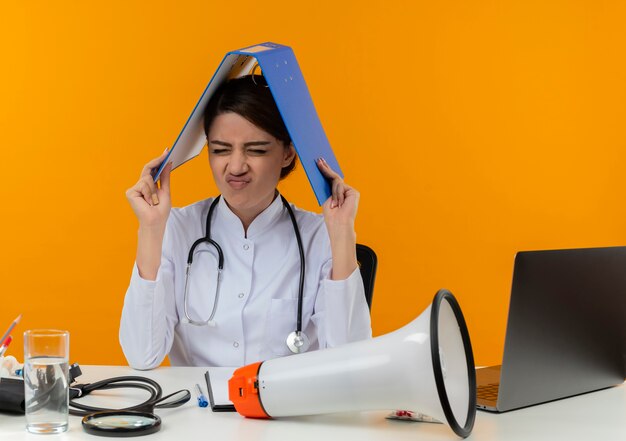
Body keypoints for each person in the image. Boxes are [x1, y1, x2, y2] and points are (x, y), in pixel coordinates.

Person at [120, 75, 371, 369]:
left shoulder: (318, 236)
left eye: (256, 150)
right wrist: (150, 230)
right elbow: (141, 355)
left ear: (288, 153)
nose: (236, 167)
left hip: (288, 413)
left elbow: (350, 361)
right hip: (198, 412)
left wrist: (342, 234)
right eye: (220, 150)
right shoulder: (177, 228)